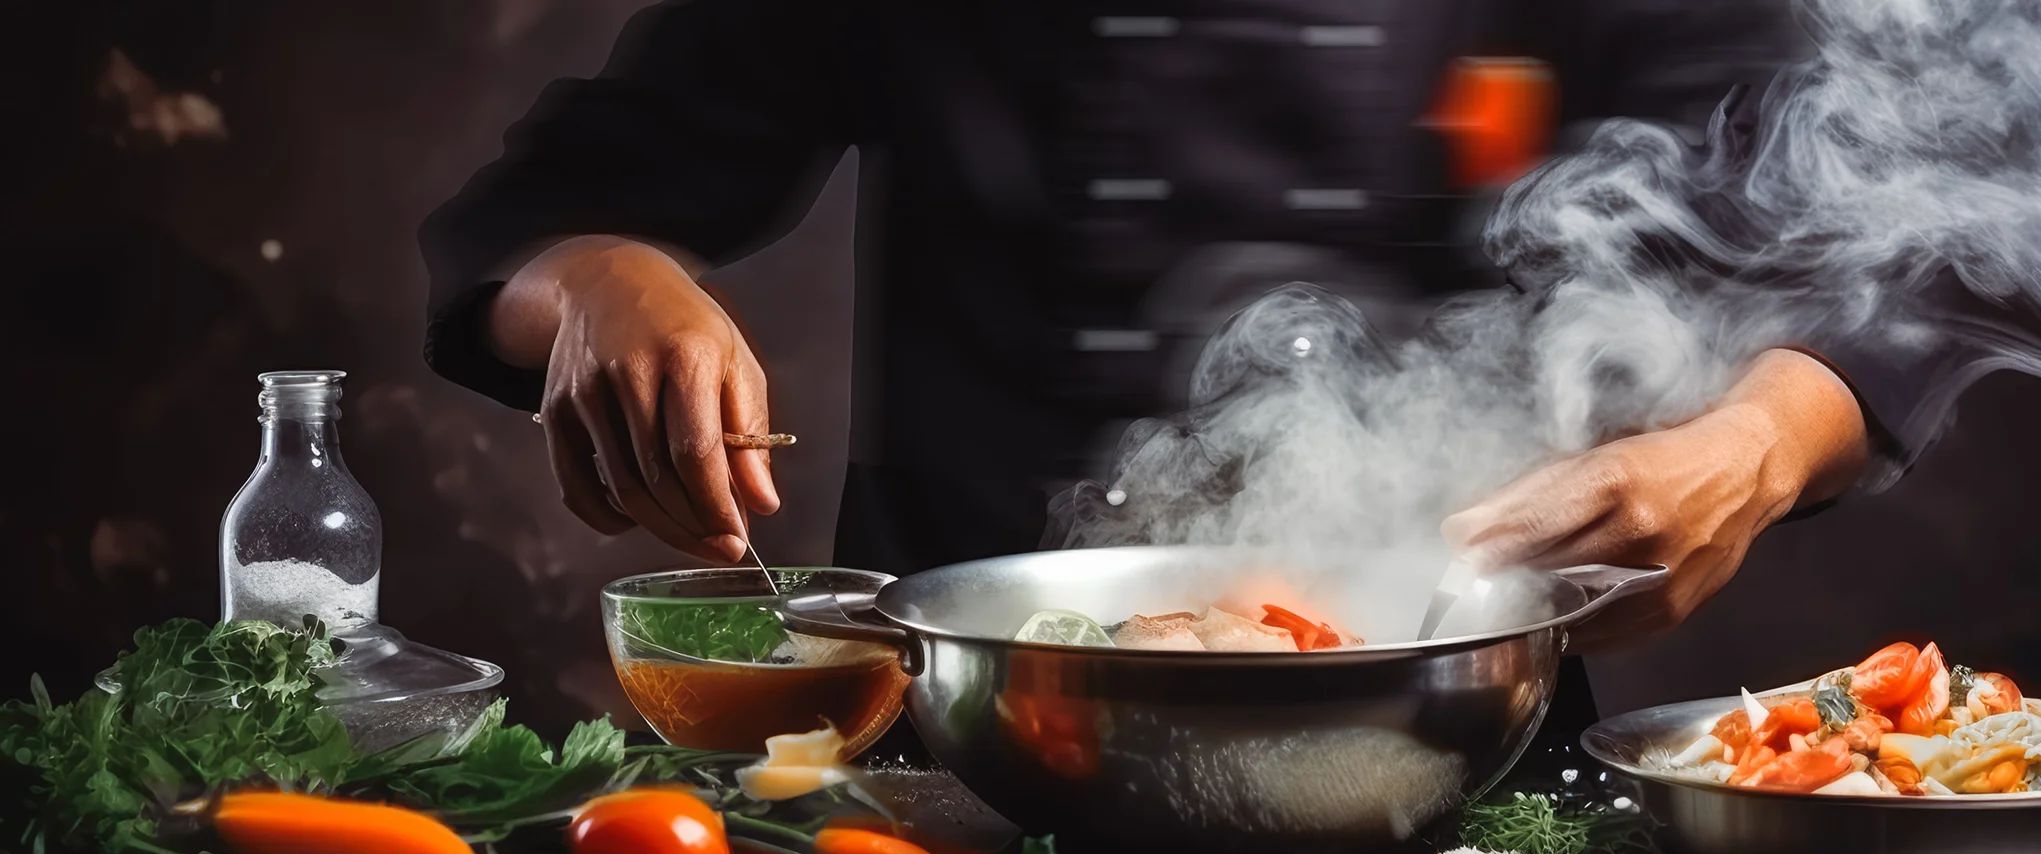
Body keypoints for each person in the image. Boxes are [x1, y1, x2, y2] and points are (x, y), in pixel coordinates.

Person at [422, 1, 1907, 697]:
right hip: (969, 742)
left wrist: (1755, 443)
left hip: (1443, 732)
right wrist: (606, 282)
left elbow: (1846, 255)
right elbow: (542, 215)